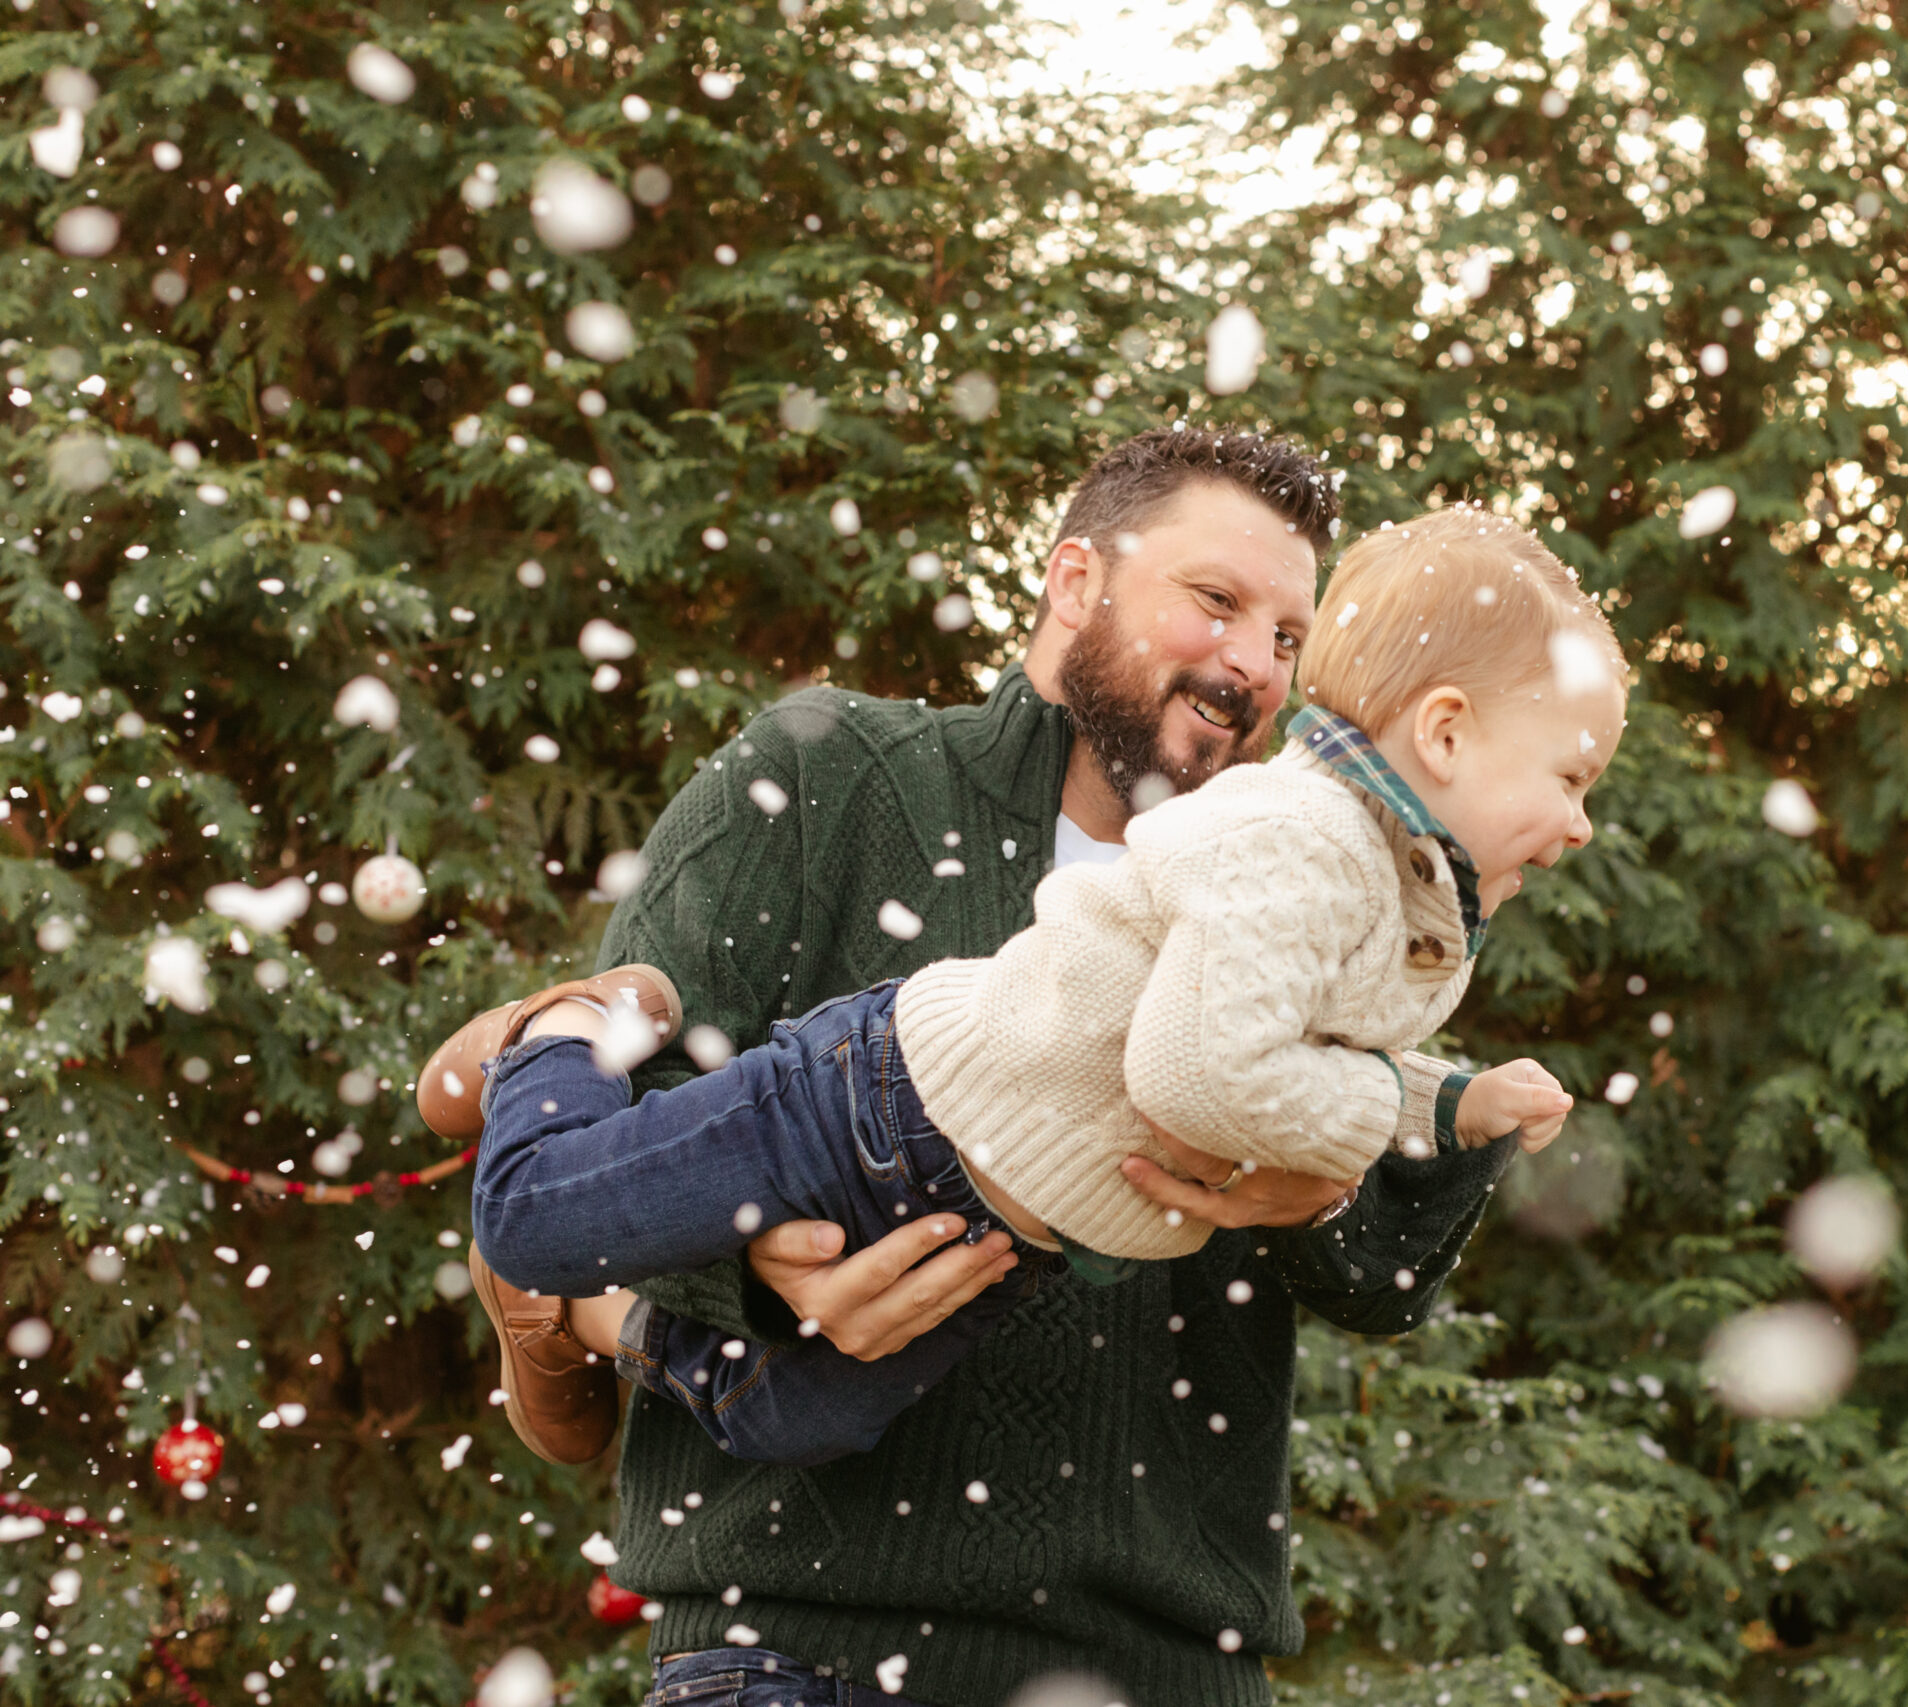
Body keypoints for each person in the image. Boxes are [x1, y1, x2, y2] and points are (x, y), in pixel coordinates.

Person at [448, 429, 1580, 1707]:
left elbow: (1383, 1274)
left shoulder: (1315, 867)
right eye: (1214, 602)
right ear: (1072, 582)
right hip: (798, 1647)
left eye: (1284, 638)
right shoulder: (824, 776)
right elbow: (623, 1130)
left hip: (1168, 1668)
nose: (1250, 664)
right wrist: (764, 1274)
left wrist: (1320, 1190)